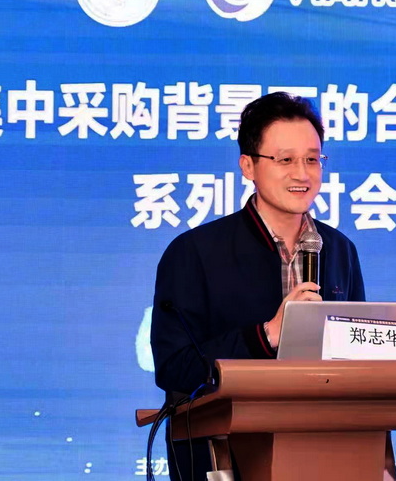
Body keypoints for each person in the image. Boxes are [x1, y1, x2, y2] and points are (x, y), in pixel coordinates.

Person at [150, 92, 369, 480]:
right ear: (248, 166)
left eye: (312, 159)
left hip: (325, 449)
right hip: (224, 456)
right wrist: (266, 335)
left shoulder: (339, 250)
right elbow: (174, 368)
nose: (302, 174)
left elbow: (356, 360)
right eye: (285, 160)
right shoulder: (195, 252)